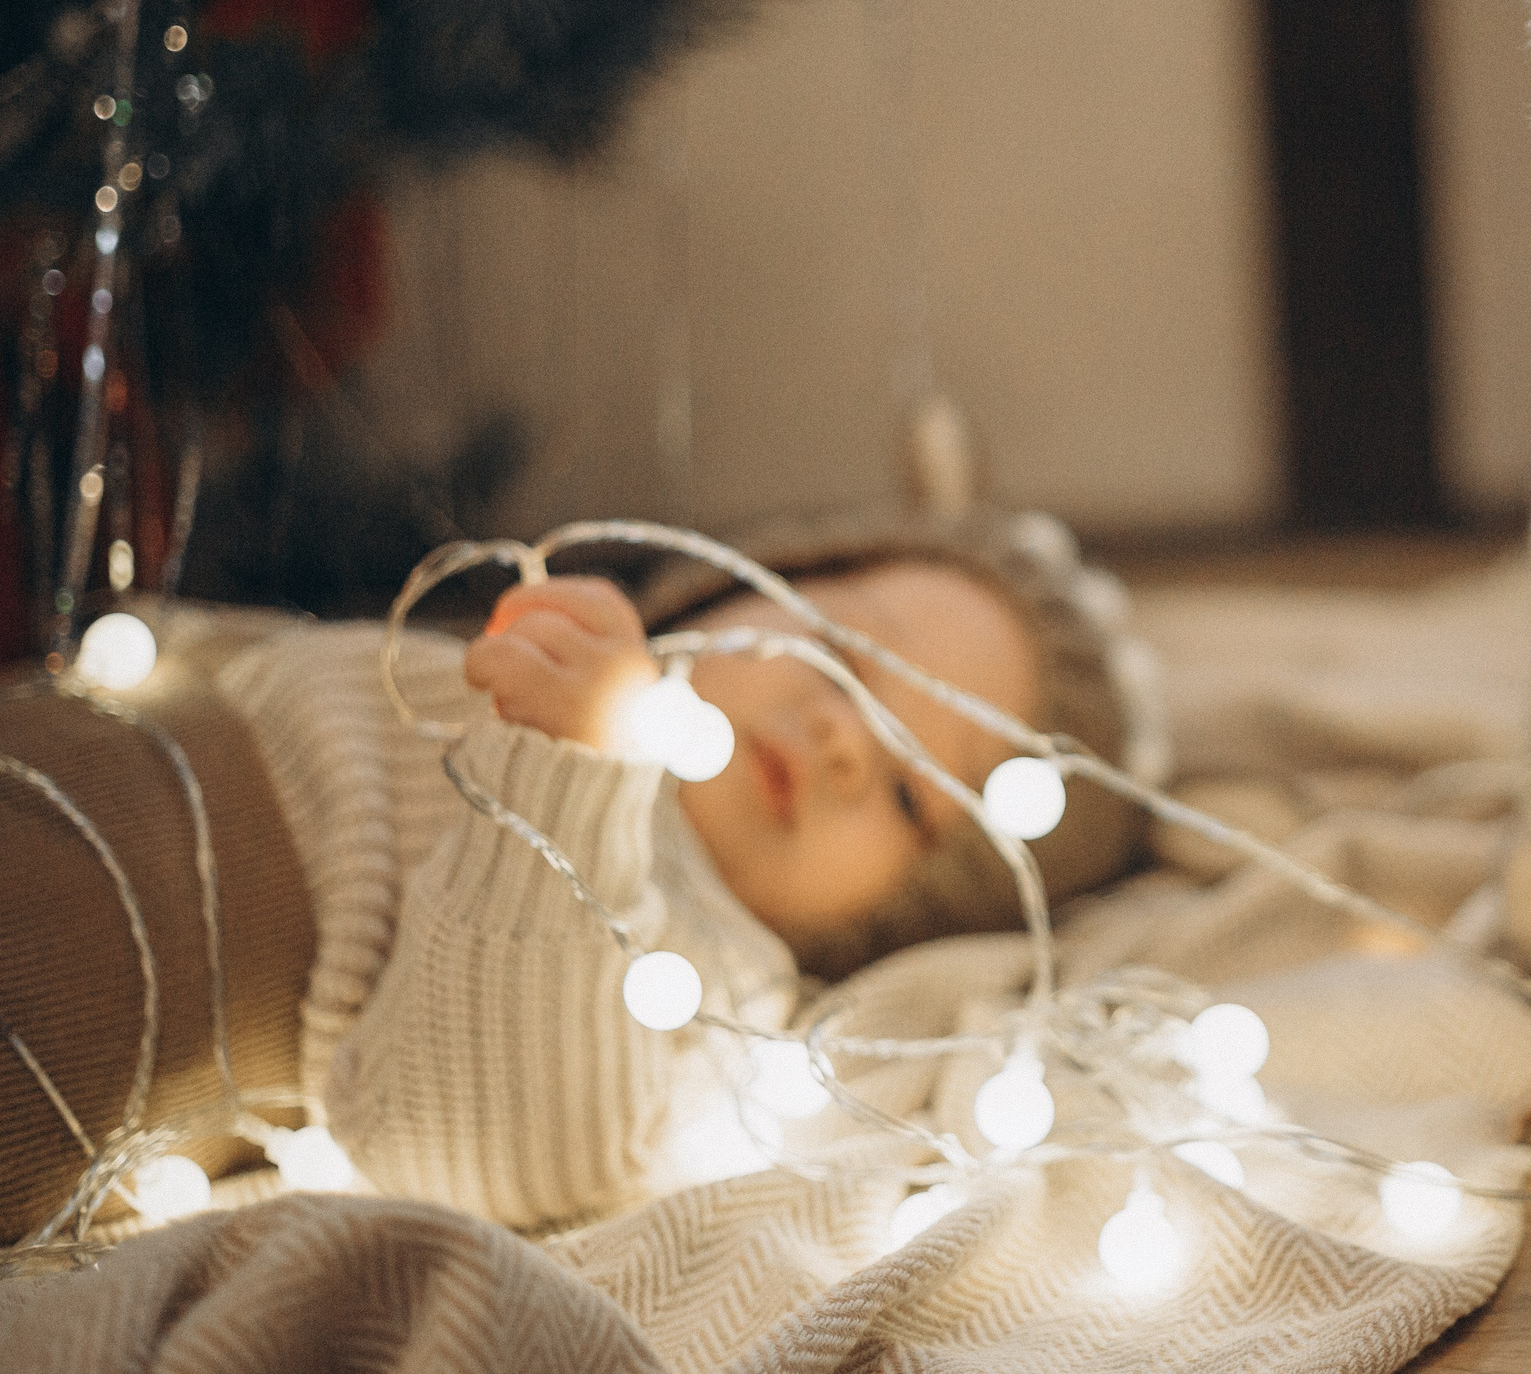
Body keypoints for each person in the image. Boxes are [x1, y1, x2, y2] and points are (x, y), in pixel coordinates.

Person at [212, 503, 1156, 1230]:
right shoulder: (473, 666)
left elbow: (465, 1149)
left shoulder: (712, 986)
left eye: (911, 796)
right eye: (841, 653)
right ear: (734, 588)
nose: (845, 739)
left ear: (912, 910)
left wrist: (570, 778)